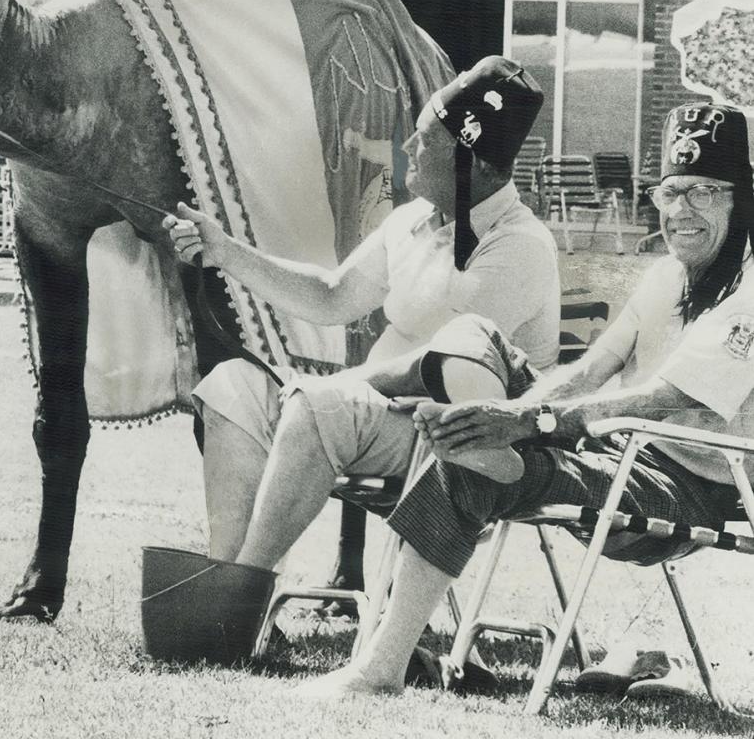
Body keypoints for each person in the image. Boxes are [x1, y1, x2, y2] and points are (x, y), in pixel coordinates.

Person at [304, 100, 754, 698]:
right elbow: (592, 369)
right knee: (473, 336)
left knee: (471, 459)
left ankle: (378, 670)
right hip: (618, 457)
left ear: (742, 199)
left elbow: (657, 400)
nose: (680, 211)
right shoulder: (665, 278)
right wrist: (515, 416)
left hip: (691, 486)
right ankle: (435, 419)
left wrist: (524, 419)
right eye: (670, 192)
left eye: (703, 192)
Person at [161, 55, 560, 659]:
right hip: (377, 416)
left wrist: (338, 389)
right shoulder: (415, 221)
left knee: (321, 402)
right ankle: (238, 594)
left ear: (469, 162)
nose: (406, 147)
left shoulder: (519, 245)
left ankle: (237, 606)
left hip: (460, 438)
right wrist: (225, 251)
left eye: (425, 140)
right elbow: (331, 296)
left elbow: (446, 367)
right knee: (233, 386)